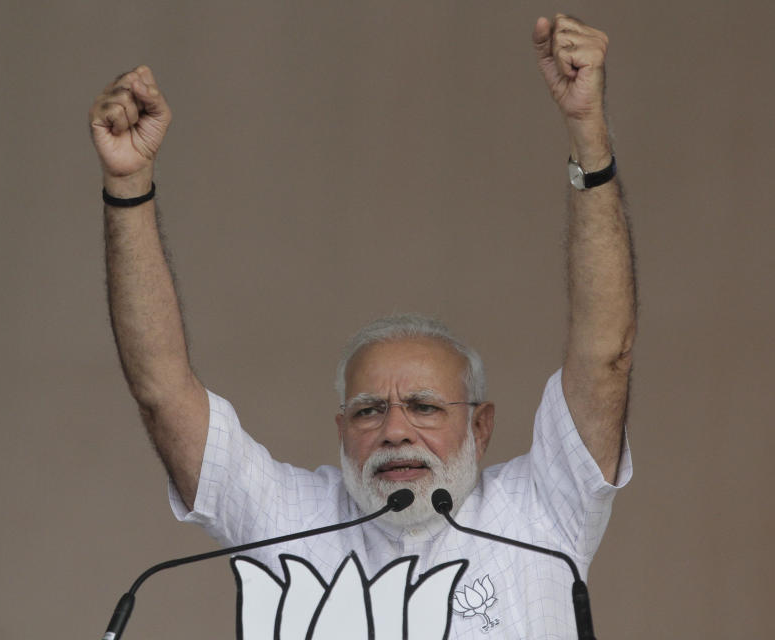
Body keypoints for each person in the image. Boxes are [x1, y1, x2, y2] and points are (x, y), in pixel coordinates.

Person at [89, 14, 635, 639]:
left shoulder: (541, 514)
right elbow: (162, 391)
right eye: (369, 410)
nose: (395, 431)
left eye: (425, 407)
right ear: (341, 428)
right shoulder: (290, 518)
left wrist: (588, 138)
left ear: (481, 427)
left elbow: (606, 357)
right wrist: (127, 187)